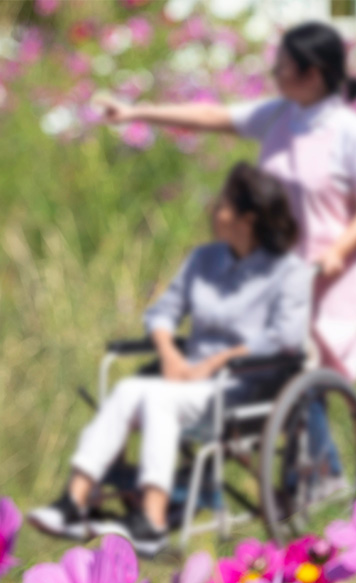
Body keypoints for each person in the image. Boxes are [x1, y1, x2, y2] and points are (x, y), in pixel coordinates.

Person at [28, 162, 312, 557]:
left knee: (160, 401)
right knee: (128, 389)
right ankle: (73, 502)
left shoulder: (289, 272)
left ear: (249, 218)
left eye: (224, 207)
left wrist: (217, 362)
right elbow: (163, 312)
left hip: (247, 385)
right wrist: (168, 353)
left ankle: (153, 520)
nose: (215, 212)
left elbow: (285, 337)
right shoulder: (205, 260)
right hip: (185, 376)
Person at [94, 20, 356, 384]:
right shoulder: (280, 115)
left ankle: (318, 440)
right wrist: (136, 113)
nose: (275, 73)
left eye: (282, 66)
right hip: (269, 265)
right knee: (263, 370)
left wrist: (338, 251)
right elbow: (211, 116)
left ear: (313, 74)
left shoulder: (354, 134)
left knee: (308, 372)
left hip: (324, 272)